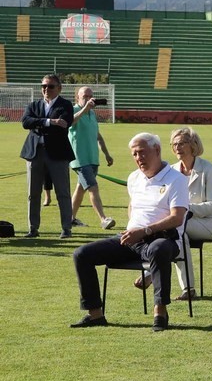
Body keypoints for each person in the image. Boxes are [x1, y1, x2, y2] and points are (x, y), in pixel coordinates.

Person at [71, 133, 189, 331]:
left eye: (142, 152)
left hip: (164, 238)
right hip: (132, 237)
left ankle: (160, 312)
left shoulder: (176, 179)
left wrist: (145, 230)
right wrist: (133, 227)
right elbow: (133, 206)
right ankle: (95, 314)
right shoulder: (134, 178)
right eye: (134, 154)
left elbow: (177, 218)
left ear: (157, 150)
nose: (138, 158)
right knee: (82, 254)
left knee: (158, 249)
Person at [168, 127, 212, 300]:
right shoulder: (171, 171)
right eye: (174, 144)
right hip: (182, 223)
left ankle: (151, 271)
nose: (177, 147)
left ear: (193, 145)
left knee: (177, 229)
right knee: (177, 231)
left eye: (182, 143)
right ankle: (188, 289)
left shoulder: (208, 169)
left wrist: (186, 209)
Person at [20, 74, 75, 238]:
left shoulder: (65, 105)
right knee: (33, 192)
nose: (46, 89)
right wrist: (50, 121)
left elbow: (65, 122)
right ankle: (33, 228)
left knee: (62, 192)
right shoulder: (34, 104)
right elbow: (25, 122)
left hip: (57, 154)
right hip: (35, 152)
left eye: (50, 86)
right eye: (44, 86)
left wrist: (39, 122)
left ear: (59, 88)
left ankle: (66, 228)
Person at [67, 85, 116, 230]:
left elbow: (98, 136)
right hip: (80, 159)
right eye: (85, 97)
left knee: (80, 189)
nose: (88, 99)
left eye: (90, 96)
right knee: (93, 188)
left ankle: (70, 218)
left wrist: (106, 154)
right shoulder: (74, 110)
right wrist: (85, 109)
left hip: (92, 158)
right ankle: (103, 219)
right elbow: (71, 121)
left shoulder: (92, 114)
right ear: (77, 98)